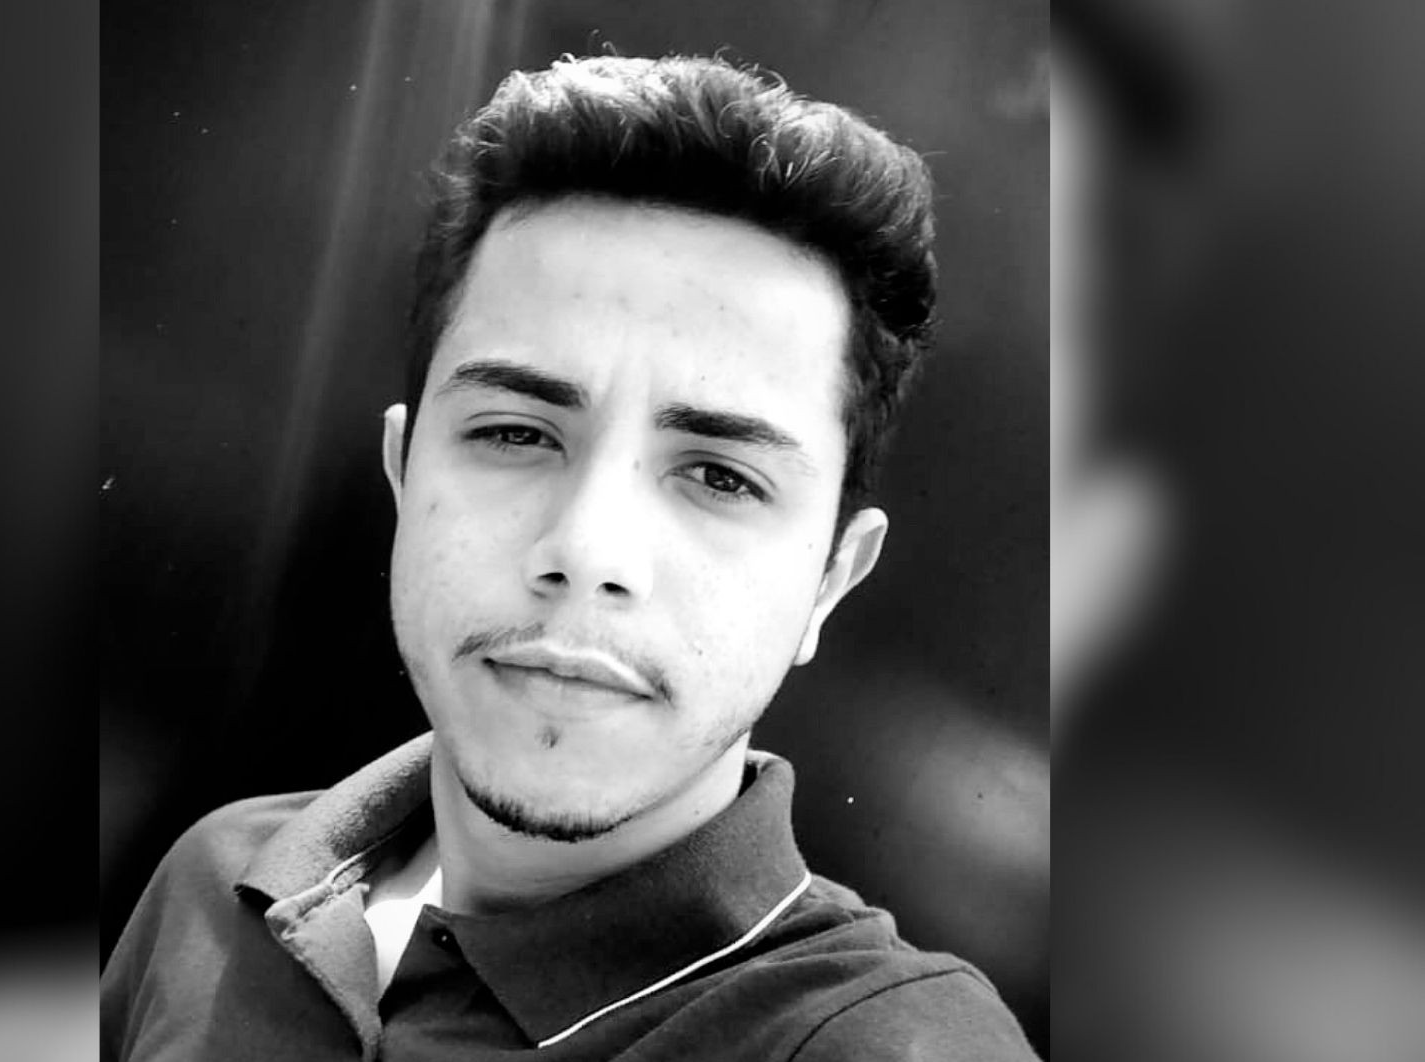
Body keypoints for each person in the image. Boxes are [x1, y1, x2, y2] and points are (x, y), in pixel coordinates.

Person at [103, 53, 1039, 1061]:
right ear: (402, 477)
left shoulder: (890, 1046)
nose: (587, 550)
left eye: (720, 476)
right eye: (515, 433)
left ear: (830, 581)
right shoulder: (215, 885)